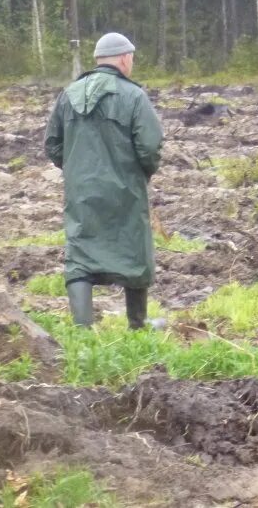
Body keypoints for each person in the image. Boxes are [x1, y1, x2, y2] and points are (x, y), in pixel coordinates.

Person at [44, 33, 163, 329]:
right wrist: (141, 173)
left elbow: (52, 144)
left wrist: (75, 171)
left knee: (80, 252)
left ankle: (82, 328)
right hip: (125, 190)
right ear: (124, 58)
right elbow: (150, 146)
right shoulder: (134, 96)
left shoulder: (68, 95)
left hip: (81, 191)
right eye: (131, 58)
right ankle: (138, 323)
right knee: (133, 248)